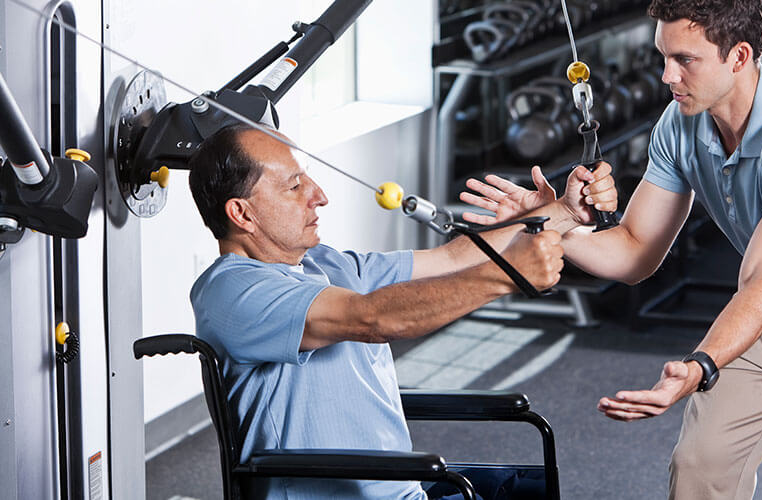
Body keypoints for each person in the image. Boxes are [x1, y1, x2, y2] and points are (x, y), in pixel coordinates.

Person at [459, 0, 762, 498]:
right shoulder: (682, 122)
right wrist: (545, 223)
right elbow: (632, 252)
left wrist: (700, 365)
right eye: (662, 56)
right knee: (699, 467)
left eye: (685, 60)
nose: (667, 75)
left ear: (738, 56)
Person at [186, 123, 564, 500]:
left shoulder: (323, 263)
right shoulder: (232, 291)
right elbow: (371, 319)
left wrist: (562, 213)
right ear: (242, 214)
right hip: (348, 492)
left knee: (538, 488)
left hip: (402, 484)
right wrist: (508, 273)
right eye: (295, 185)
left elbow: (450, 259)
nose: (319, 196)